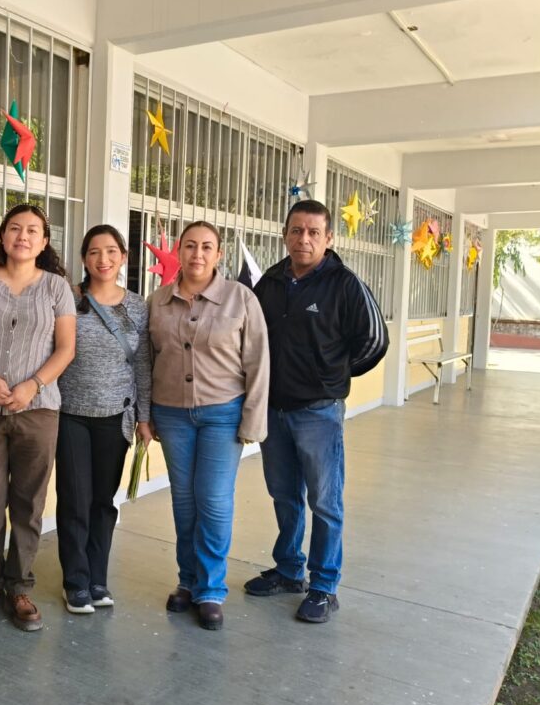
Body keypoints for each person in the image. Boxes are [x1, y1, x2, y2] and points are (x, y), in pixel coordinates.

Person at [245, 199, 388, 623]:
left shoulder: (344, 284)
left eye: (313, 232)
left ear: (328, 238)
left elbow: (375, 340)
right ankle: (289, 570)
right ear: (285, 234)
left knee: (325, 501)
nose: (303, 239)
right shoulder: (269, 282)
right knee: (285, 495)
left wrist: (332, 376)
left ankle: (324, 585)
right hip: (275, 411)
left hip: (319, 413)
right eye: (296, 231)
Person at [0, 203, 76, 632]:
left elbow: (66, 348)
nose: (22, 236)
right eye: (14, 229)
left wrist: (32, 385)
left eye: (32, 231)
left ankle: (19, 586)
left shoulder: (57, 288)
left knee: (29, 502)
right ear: (3, 236)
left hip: (39, 410)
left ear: (44, 242)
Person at [148, 220, 269, 631]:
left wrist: (253, 418)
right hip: (171, 413)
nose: (197, 254)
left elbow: (257, 362)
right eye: (189, 246)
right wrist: (145, 416)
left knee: (213, 500)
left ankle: (211, 589)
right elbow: (147, 360)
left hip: (223, 413)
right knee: (184, 502)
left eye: (206, 247)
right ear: (179, 252)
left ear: (219, 255)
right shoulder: (158, 300)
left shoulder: (241, 299)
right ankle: (188, 581)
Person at [55, 225, 151, 613]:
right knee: (75, 500)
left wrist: (144, 416)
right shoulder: (69, 300)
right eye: (94, 252)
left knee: (103, 502)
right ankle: (75, 582)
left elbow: (143, 363)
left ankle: (98, 578)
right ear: (83, 259)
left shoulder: (138, 305)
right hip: (70, 414)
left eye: (111, 251)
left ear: (124, 257)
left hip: (117, 416)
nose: (103, 260)